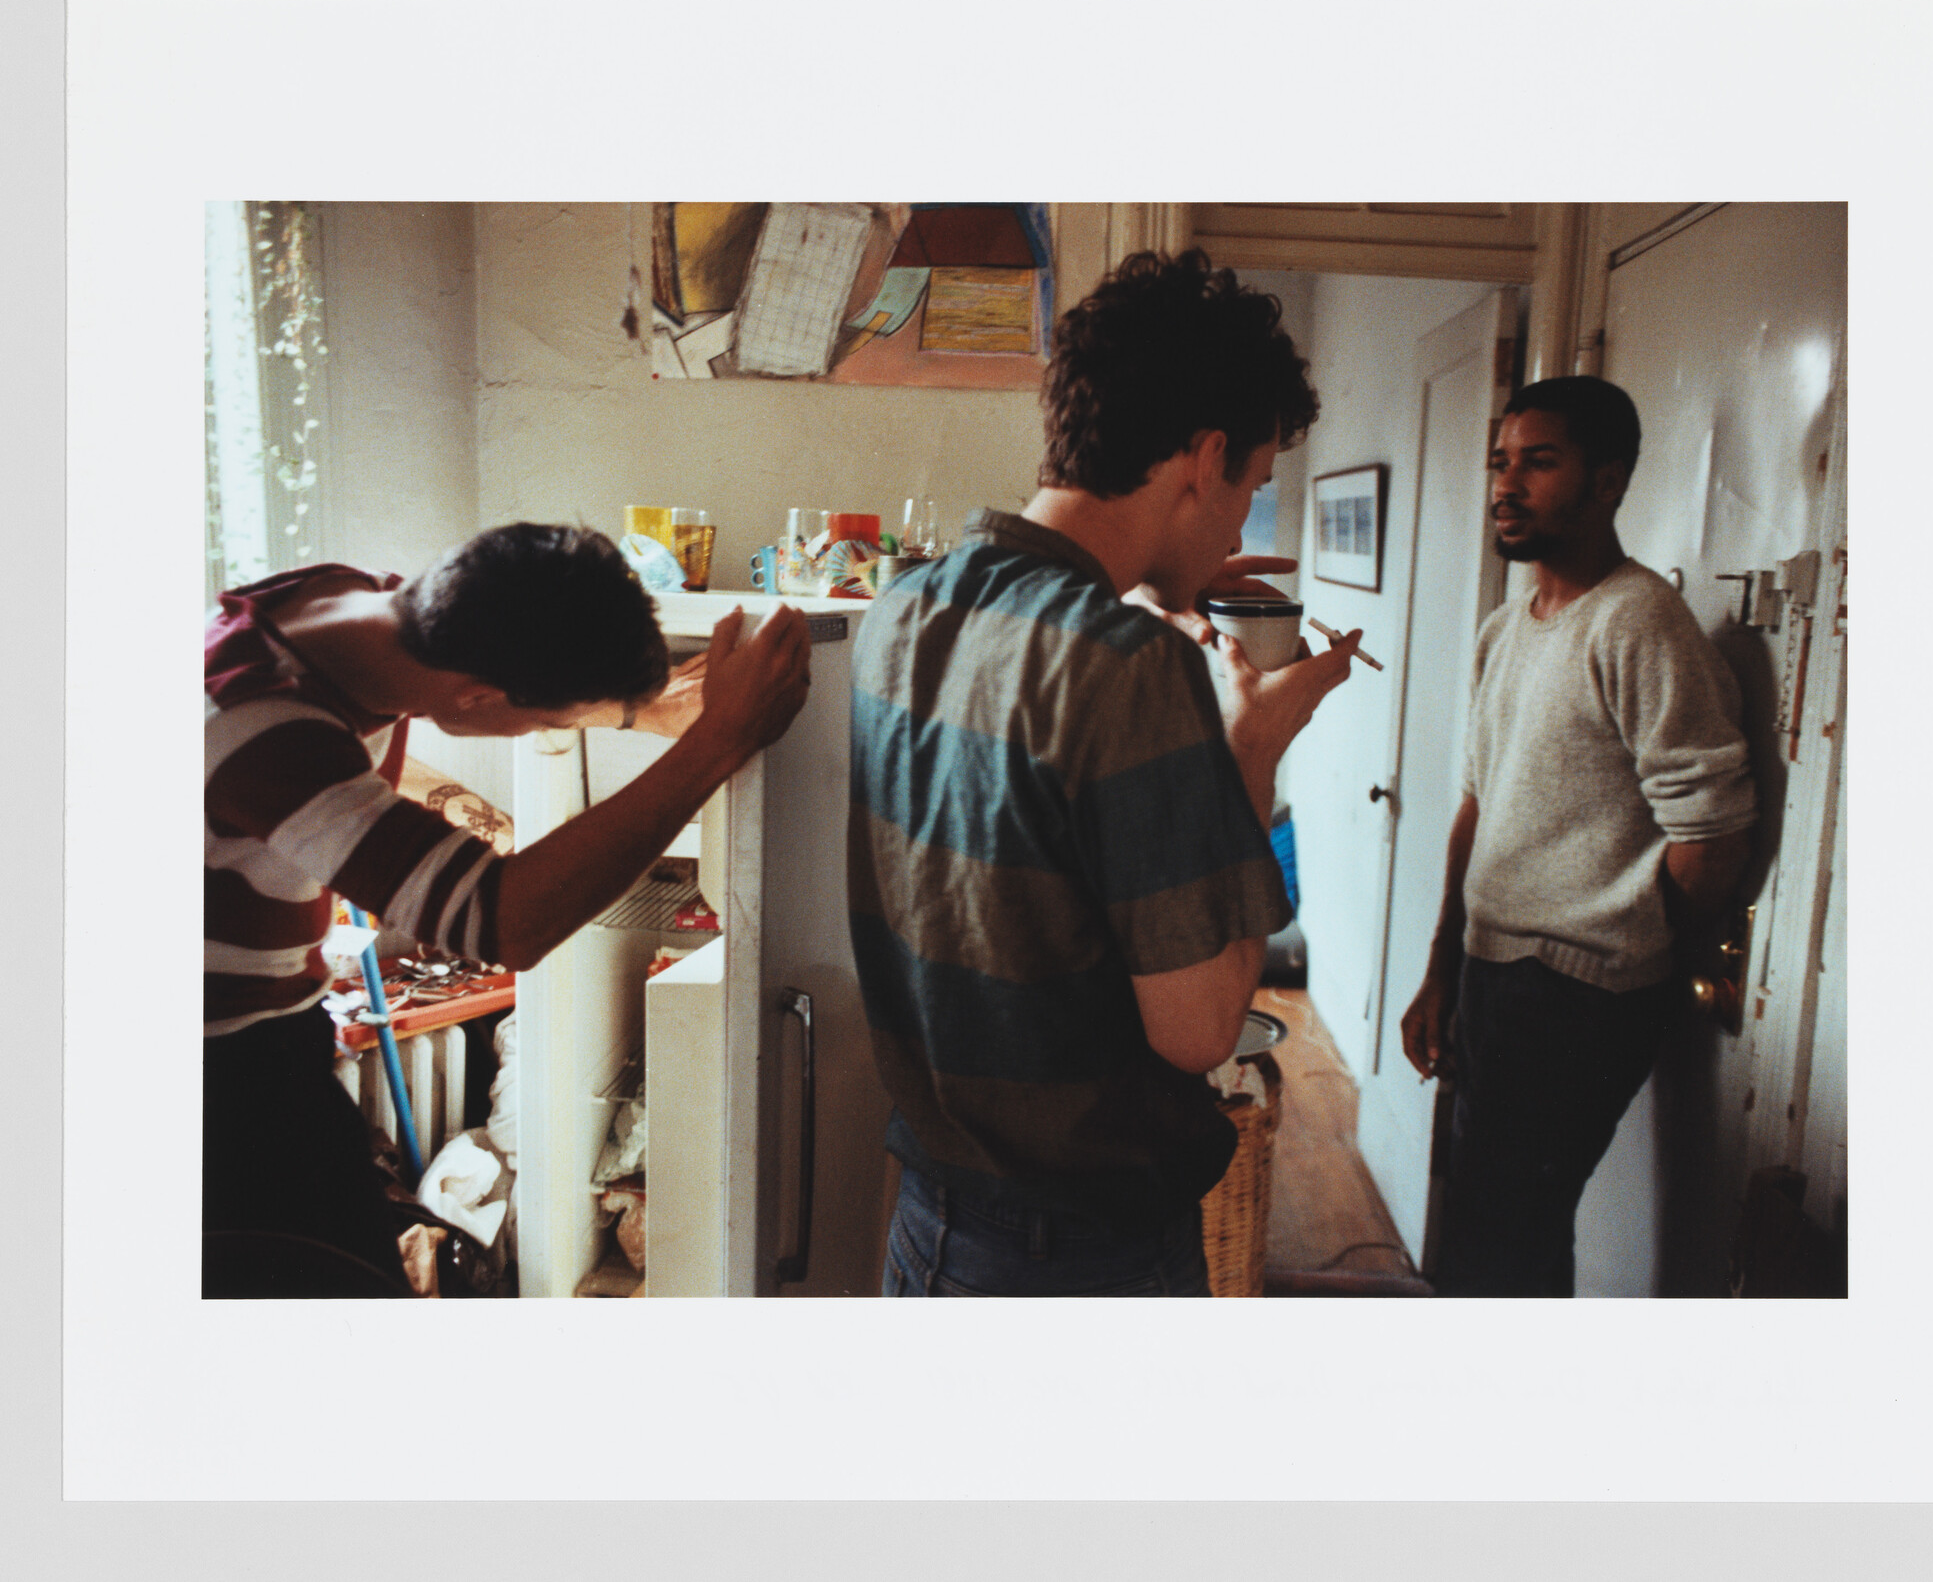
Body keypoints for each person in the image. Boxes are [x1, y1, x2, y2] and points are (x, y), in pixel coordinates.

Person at [847, 249, 1362, 1297]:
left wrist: (1156, 565)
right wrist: (1254, 748)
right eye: (1249, 488)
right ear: (1203, 456)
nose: (1237, 524)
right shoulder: (1131, 667)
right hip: (1073, 1254)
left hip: (928, 1219)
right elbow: (1199, 1030)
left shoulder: (907, 606)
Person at [203, 522, 811, 1295]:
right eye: (552, 721)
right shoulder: (265, 730)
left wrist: (632, 710)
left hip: (271, 1042)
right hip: (219, 1074)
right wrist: (716, 742)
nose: (552, 730)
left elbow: (461, 689)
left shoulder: (355, 607)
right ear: (480, 694)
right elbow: (505, 920)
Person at [1398, 376, 1756, 1297]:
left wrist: (1629, 955)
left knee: (1504, 1239)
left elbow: (1710, 837)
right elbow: (1479, 802)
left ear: (1608, 480)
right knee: (1485, 1222)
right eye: (1500, 461)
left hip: (1577, 992)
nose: (1506, 485)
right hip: (1493, 968)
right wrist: (1444, 964)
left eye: (1538, 462)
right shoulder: (1505, 629)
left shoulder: (1640, 623)